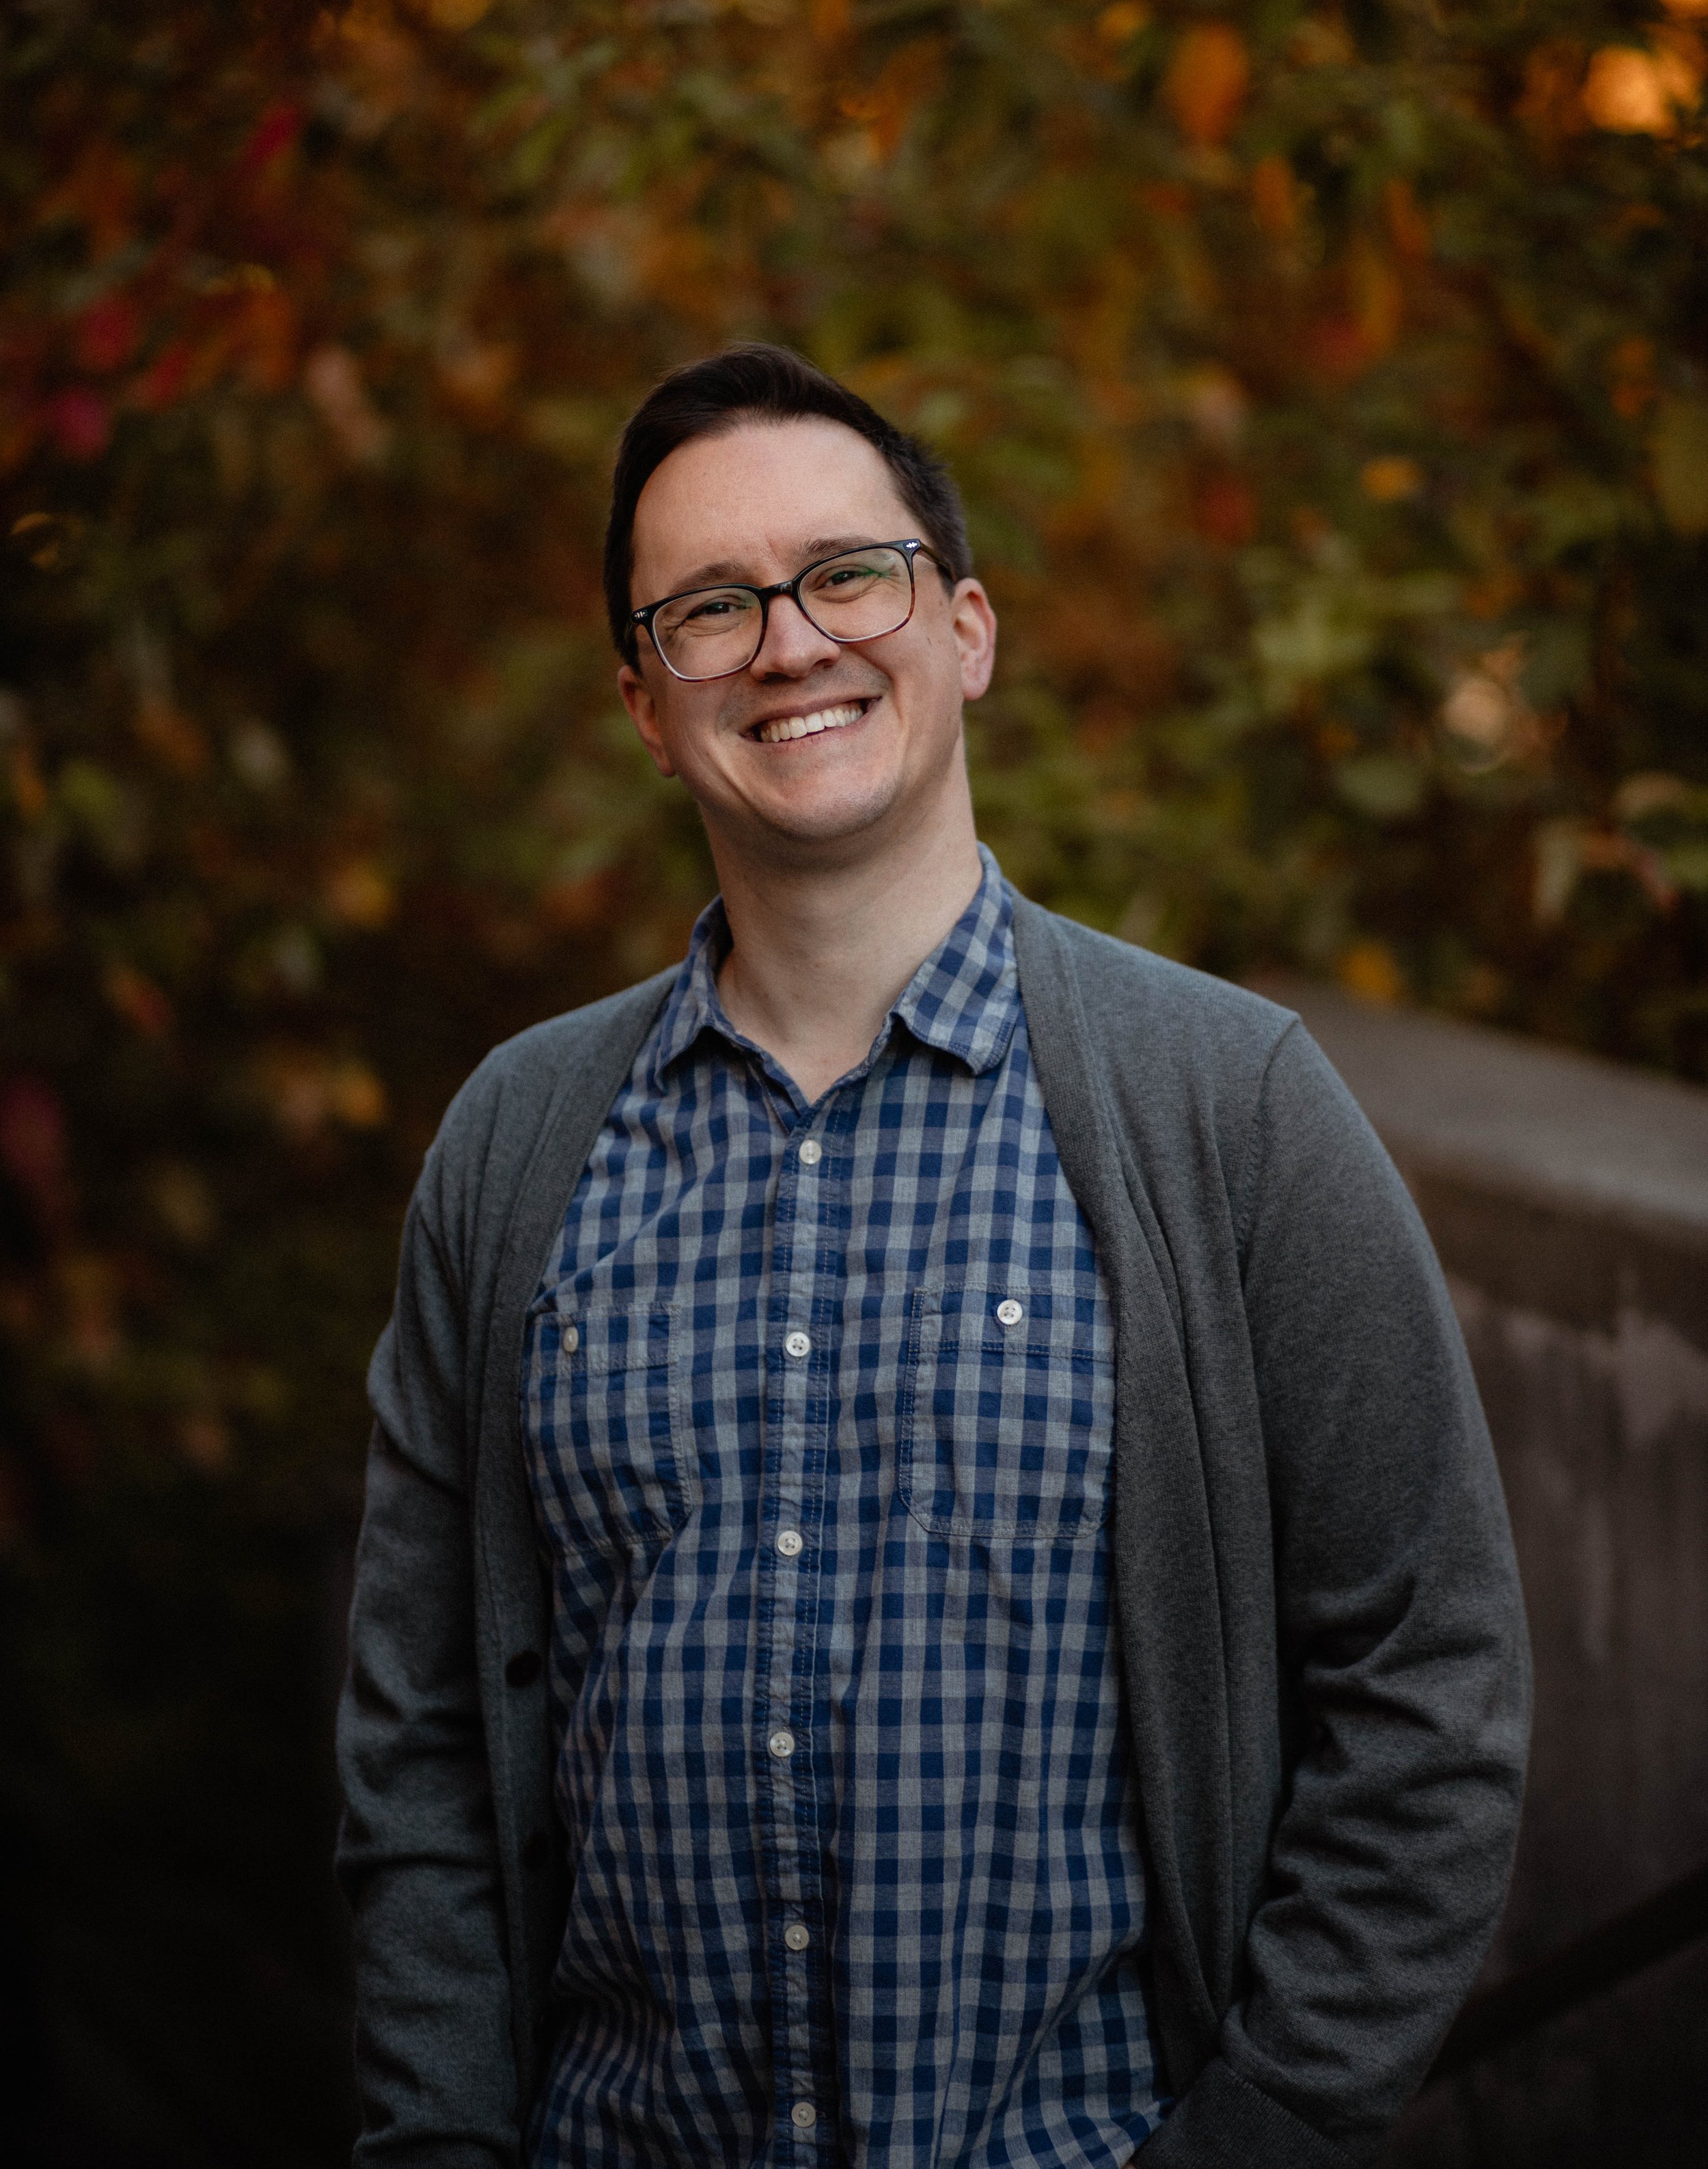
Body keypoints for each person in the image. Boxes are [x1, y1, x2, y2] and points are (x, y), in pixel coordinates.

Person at [335, 343, 1530, 2169]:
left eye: (845, 575)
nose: (789, 642)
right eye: (708, 609)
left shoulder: (1226, 1111)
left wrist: (1263, 2134)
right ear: (647, 708)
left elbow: (1429, 1687)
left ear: (963, 627)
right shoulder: (518, 1146)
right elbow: (418, 1738)